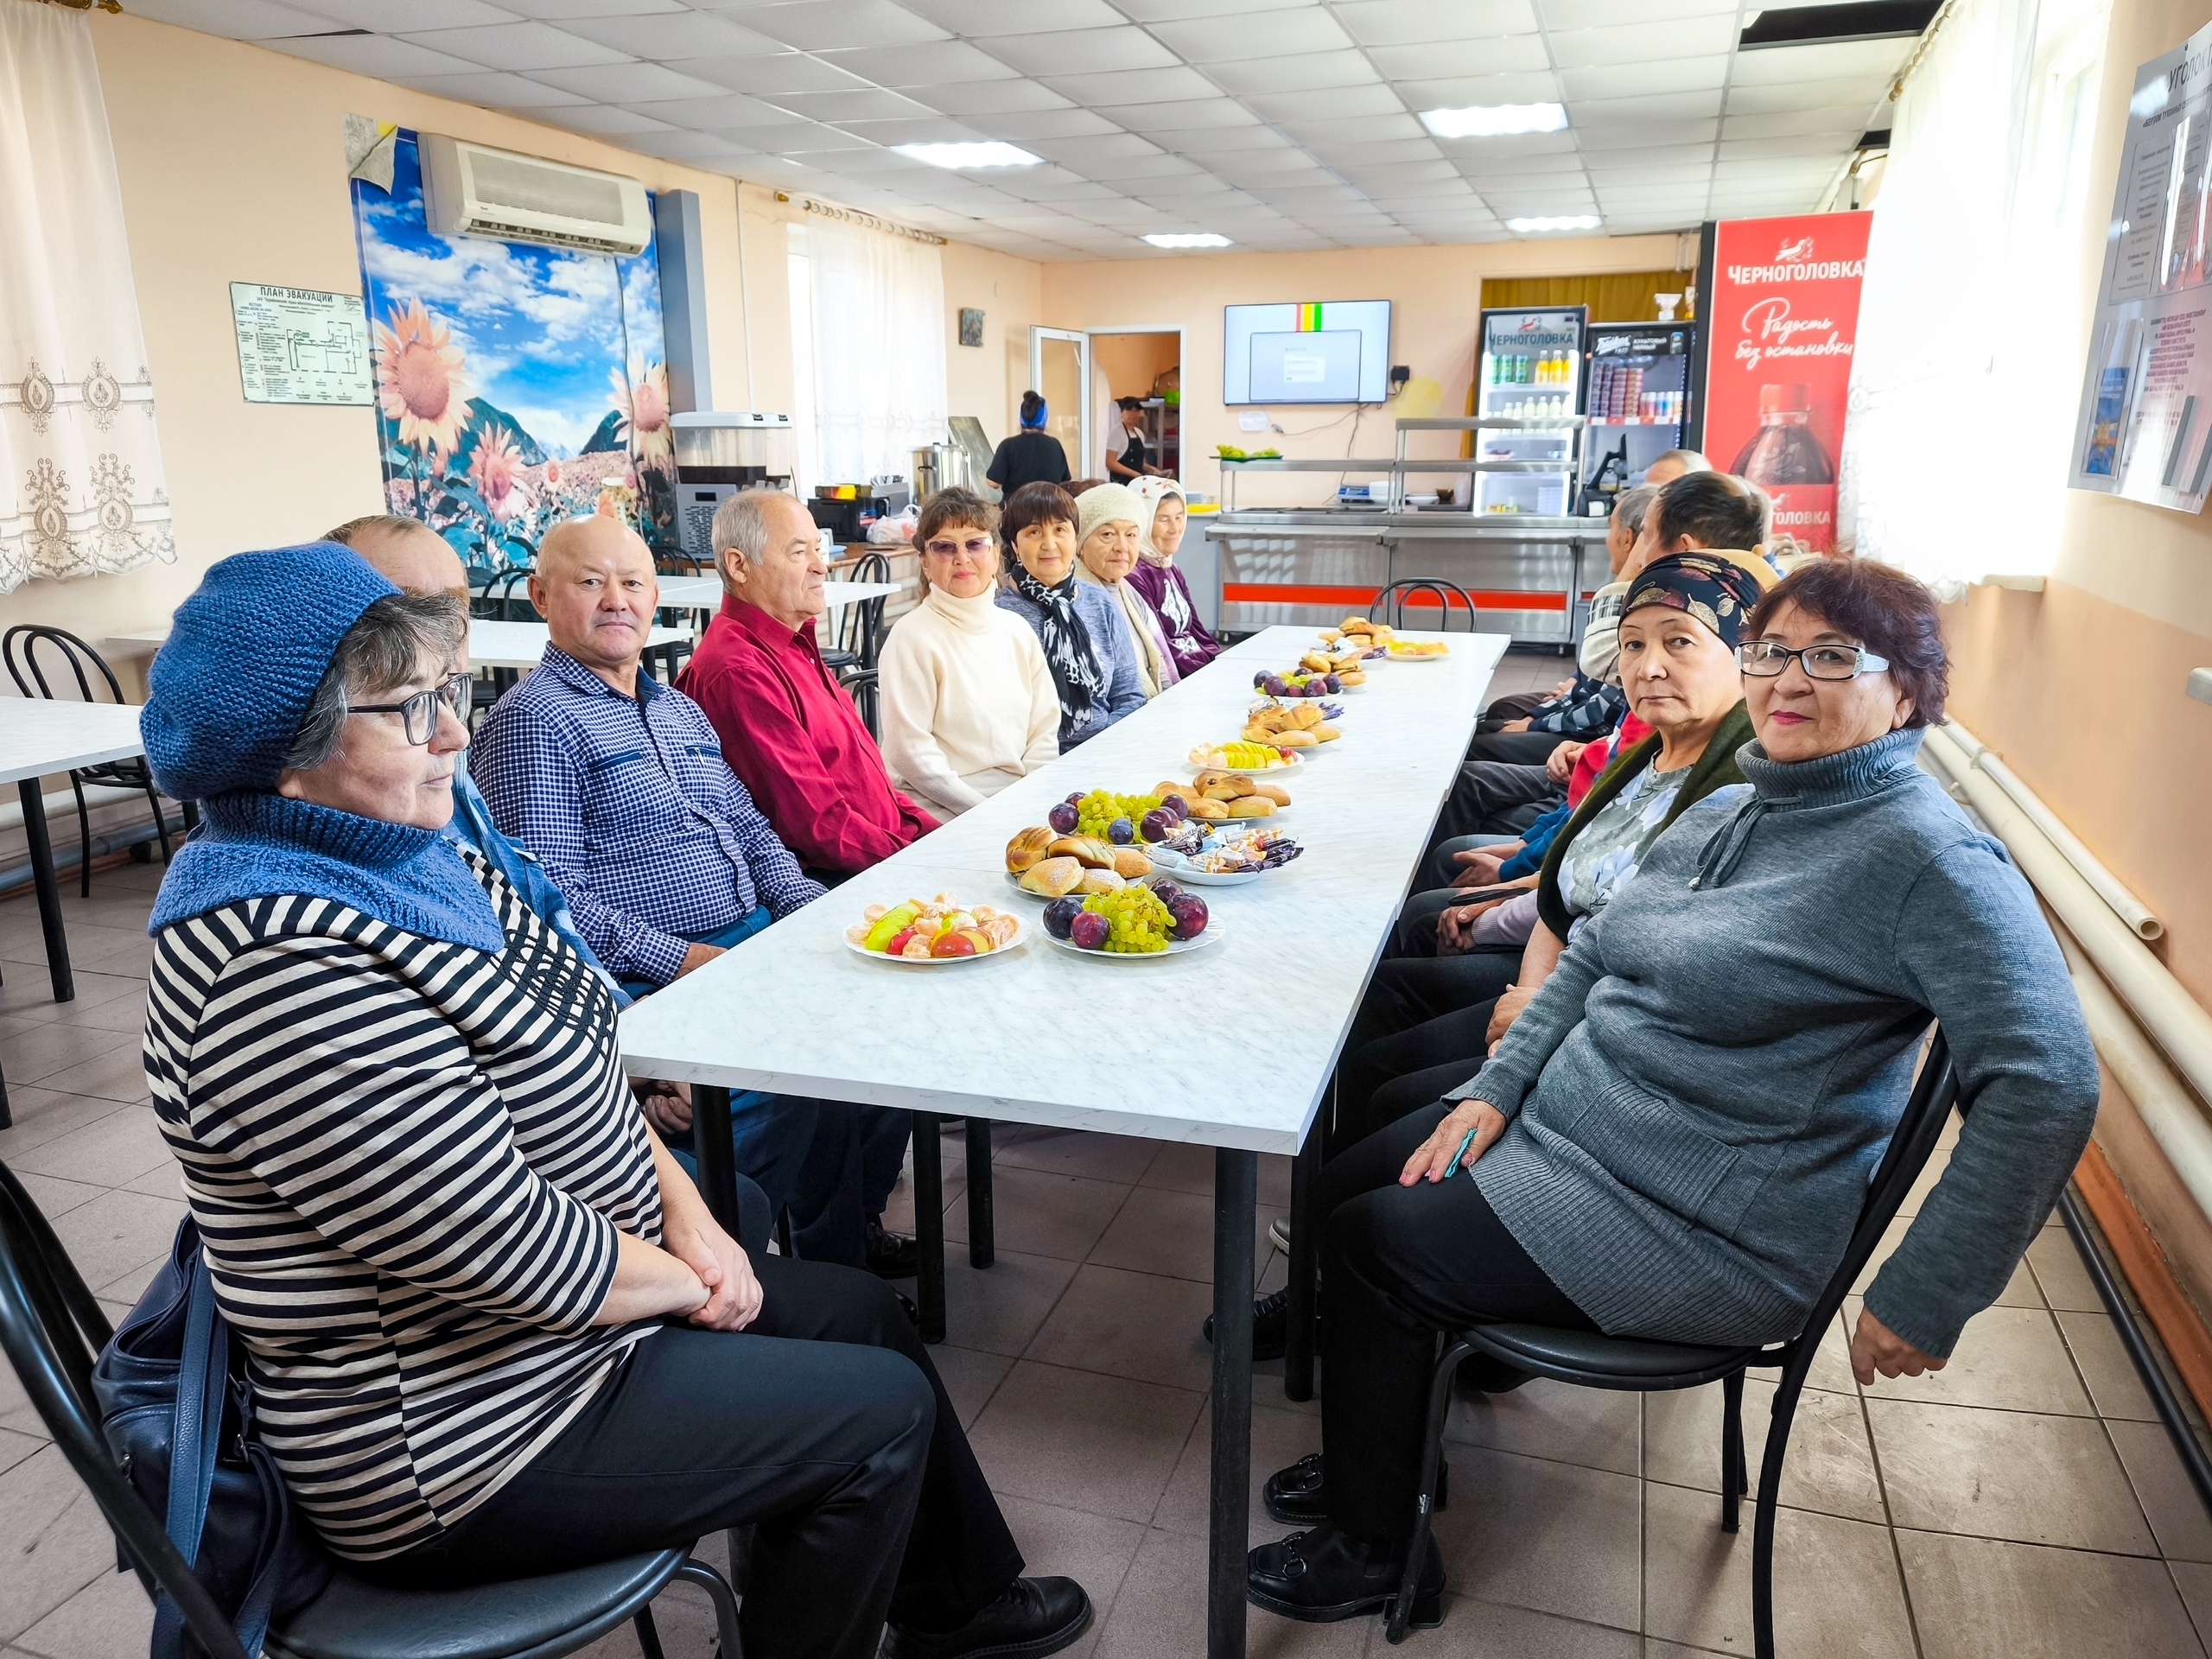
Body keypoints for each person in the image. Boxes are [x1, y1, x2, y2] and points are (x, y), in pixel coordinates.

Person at [136, 544, 1090, 1659]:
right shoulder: (274, 966)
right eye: (408, 711)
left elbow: (579, 1045)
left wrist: (690, 1216)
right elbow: (511, 1257)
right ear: (280, 758)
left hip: (563, 1330)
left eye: (448, 694)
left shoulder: (411, 851)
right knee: (874, 1422)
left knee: (857, 1313)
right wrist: (693, 1277)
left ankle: (955, 1607)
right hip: (458, 1432)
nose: (453, 733)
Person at [1243, 557, 2100, 1630]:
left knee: (1373, 1240)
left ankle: (1380, 1546)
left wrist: (1927, 1292)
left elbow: (2048, 1078)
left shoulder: (1931, 860)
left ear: (1910, 694)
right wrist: (1496, 1090)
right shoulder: (1740, 802)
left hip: (1697, 1224)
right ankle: (1394, 1439)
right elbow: (1596, 955)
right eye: (1772, 653)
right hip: (1578, 1133)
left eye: (1832, 658)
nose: (1789, 681)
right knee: (1356, 1168)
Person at [470, 516, 915, 1277]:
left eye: (634, 582)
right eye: (590, 582)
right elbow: (555, 908)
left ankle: (835, 1262)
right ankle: (735, 1267)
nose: (618, 600)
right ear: (542, 596)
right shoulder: (533, 725)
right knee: (797, 1074)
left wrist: (817, 914)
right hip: (662, 971)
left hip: (748, 940)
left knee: (885, 1025)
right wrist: (689, 965)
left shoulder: (674, 707)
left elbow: (747, 827)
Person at [321, 515, 773, 1241]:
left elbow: (543, 927)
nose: (617, 600)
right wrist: (633, 1067)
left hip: (640, 1012)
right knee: (784, 1109)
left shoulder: (450, 781)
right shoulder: (517, 732)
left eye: (453, 610)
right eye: (592, 582)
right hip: (659, 993)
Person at [1337, 553, 1768, 1154]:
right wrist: (1528, 985)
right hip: (1560, 977)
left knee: (1384, 1068)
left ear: (1745, 656)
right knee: (1390, 1001)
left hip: (1601, 1020)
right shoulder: (1650, 755)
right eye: (1634, 646)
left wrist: (1529, 1014)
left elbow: (1637, 954)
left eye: (1680, 643)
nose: (1650, 668)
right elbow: (1570, 882)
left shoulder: (1739, 788)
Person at [678, 486, 937, 881]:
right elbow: (817, 829)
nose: (821, 566)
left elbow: (871, 788)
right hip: (837, 881)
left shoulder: (794, 641)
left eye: (819, 549)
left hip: (881, 853)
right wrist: (921, 860)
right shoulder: (738, 670)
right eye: (799, 553)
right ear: (739, 565)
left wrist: (939, 837)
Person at [877, 487, 1060, 820]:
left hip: (1020, 801)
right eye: (945, 547)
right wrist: (985, 814)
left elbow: (1044, 729)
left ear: (996, 554)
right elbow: (911, 754)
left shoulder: (1016, 630)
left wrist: (1032, 798)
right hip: (941, 812)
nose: (962, 557)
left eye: (975, 544)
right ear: (925, 563)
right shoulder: (911, 638)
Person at [995, 481, 1146, 749]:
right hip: (1029, 764)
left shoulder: (1100, 603)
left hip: (1105, 750)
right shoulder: (999, 613)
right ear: (1015, 546)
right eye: (1034, 532)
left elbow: (1129, 695)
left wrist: (1100, 750)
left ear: (1075, 538)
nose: (1049, 544)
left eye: (1060, 530)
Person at [1071, 480, 1179, 699]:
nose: (1122, 547)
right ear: (1080, 544)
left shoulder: (1128, 591)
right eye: (1108, 535)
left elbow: (1159, 664)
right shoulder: (1076, 601)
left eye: (1131, 535)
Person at [1123, 476, 1224, 677]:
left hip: (1199, 670)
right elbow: (1160, 646)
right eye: (1163, 519)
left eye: (1179, 517)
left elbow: (1198, 631)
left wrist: (1220, 662)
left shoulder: (1171, 568)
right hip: (1180, 678)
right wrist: (1205, 673)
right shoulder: (1135, 575)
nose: (1175, 528)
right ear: (1142, 522)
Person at [1577, 482, 1660, 686]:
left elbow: (1597, 661)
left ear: (1627, 539)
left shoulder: (1652, 606)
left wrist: (1628, 574)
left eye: (1610, 527)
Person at [985, 391, 1071, 497]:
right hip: (1049, 510)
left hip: (1016, 510)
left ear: (1021, 418)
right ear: (1044, 418)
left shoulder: (1008, 446)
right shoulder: (1055, 446)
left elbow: (993, 482)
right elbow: (1065, 481)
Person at [1105, 396, 1163, 480]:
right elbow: (1110, 463)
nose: (1133, 415)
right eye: (1129, 412)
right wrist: (1135, 475)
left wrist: (1151, 469)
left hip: (1136, 482)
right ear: (1122, 412)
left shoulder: (1140, 433)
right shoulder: (1117, 432)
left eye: (1136, 412)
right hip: (1120, 483)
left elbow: (1140, 463)